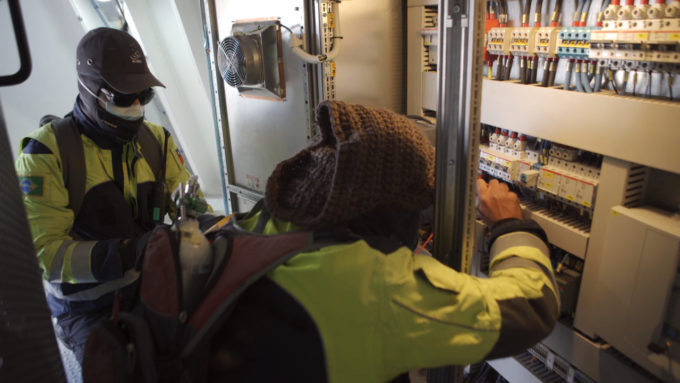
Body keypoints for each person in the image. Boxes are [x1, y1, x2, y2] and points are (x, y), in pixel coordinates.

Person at [208, 100, 559, 382]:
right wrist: (510, 225)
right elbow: (531, 307)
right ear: (389, 209)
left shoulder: (268, 217)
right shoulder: (372, 284)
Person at [14, 27, 207, 364]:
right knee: (116, 368)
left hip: (151, 285)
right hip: (87, 307)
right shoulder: (45, 155)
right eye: (122, 97)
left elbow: (193, 207)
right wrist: (129, 252)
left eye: (143, 94)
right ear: (90, 90)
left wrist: (210, 228)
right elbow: (47, 256)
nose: (135, 105)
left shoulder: (157, 142)